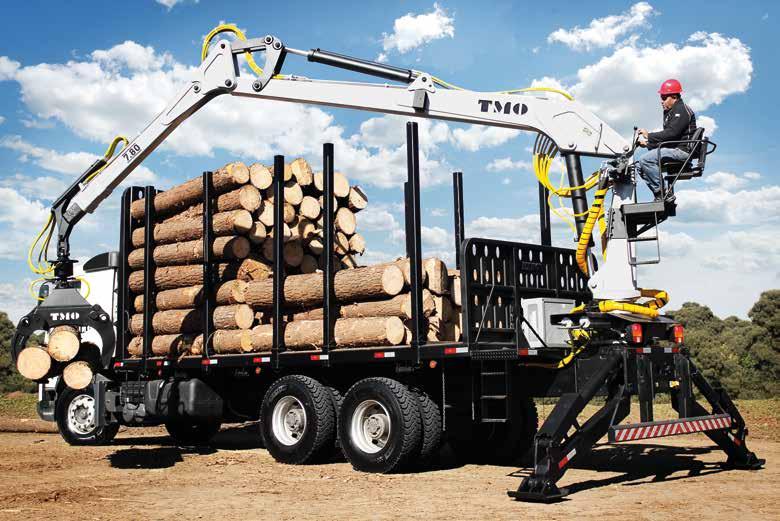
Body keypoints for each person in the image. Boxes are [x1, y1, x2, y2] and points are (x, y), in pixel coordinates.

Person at [635, 79, 697, 201]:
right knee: (639, 165)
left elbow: (671, 134)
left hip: (682, 151)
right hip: (674, 148)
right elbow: (670, 139)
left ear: (674, 97)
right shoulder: (671, 112)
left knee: (645, 160)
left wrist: (649, 135)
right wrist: (648, 144)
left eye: (664, 97)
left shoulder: (681, 110)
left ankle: (663, 193)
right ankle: (660, 195)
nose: (661, 101)